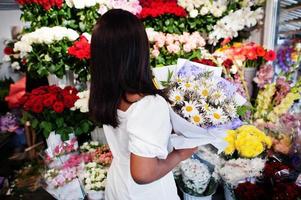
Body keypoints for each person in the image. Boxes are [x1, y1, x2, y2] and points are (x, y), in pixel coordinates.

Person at [89, 9, 197, 200]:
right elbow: (143, 174)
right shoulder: (147, 104)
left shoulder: (107, 93)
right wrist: (180, 155)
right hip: (147, 193)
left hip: (118, 183)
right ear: (139, 50)